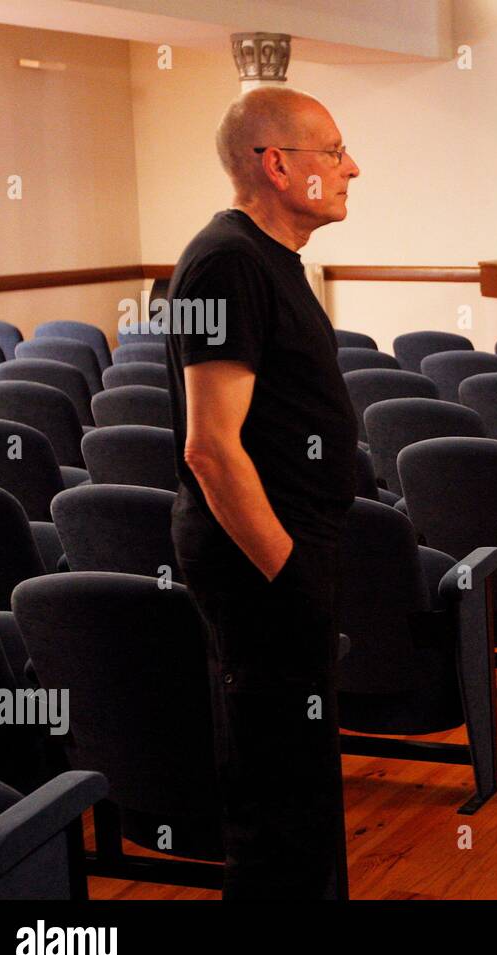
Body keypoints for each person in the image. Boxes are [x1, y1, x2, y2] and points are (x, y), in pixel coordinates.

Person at [164, 85, 361, 898]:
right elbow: (211, 450)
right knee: (277, 796)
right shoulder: (227, 262)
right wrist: (291, 574)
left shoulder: (262, 259)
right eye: (334, 152)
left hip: (282, 562)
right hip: (261, 569)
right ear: (278, 166)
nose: (354, 167)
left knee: (302, 785)